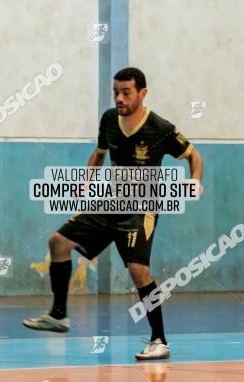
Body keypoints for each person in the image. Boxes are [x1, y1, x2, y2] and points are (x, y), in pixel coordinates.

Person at [23, 67, 203, 360]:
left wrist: (195, 180)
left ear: (142, 93)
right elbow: (99, 153)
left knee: (138, 270)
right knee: (58, 242)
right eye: (115, 92)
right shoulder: (109, 119)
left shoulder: (160, 128)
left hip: (142, 206)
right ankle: (58, 315)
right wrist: (85, 182)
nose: (119, 98)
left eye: (126, 92)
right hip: (111, 202)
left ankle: (160, 340)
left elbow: (194, 156)